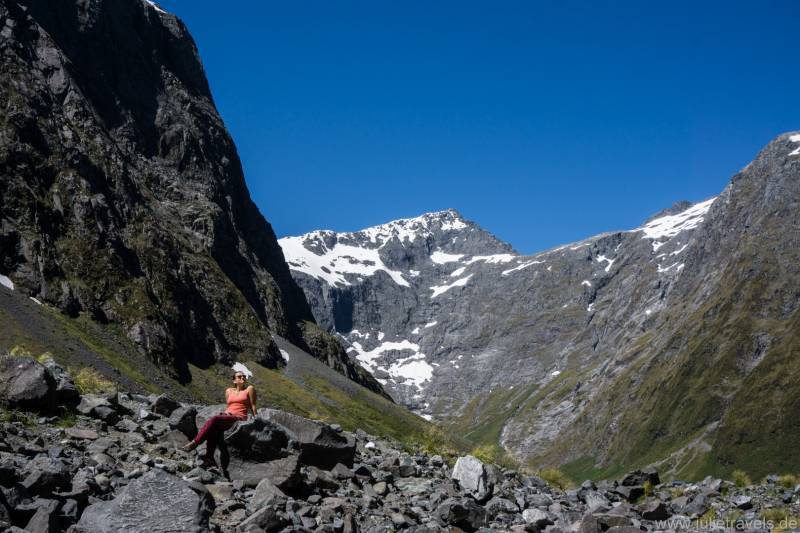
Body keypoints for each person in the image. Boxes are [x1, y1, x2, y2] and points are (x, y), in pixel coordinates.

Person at [181, 370, 258, 468]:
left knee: (214, 419)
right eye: (239, 376)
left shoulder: (249, 389)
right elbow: (229, 405)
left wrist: (257, 420)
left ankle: (195, 443)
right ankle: (209, 459)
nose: (243, 378)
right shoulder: (229, 391)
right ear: (234, 381)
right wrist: (226, 414)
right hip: (227, 416)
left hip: (238, 418)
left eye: (244, 376)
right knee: (214, 428)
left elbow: (253, 406)